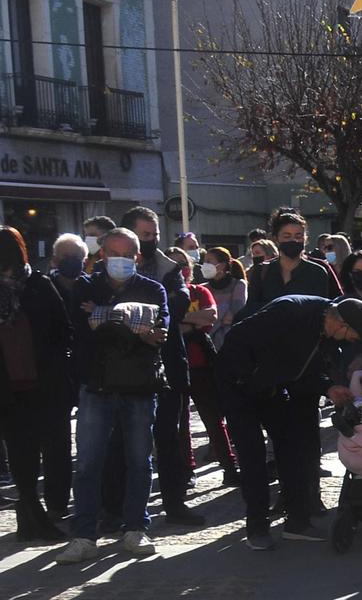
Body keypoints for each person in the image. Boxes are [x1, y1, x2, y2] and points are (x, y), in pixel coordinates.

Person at [212, 295, 362, 548]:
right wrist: (251, 379)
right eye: (349, 335)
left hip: (272, 388)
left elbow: (307, 369)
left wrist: (328, 387)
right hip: (238, 387)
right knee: (252, 455)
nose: (347, 341)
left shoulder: (326, 333)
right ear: (339, 322)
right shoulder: (291, 311)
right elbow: (239, 340)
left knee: (292, 450)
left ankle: (297, 522)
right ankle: (257, 528)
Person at [57, 227, 169, 562]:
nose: (120, 260)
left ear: (137, 256)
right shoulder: (84, 287)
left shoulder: (152, 288)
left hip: (139, 385)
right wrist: (133, 324)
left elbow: (158, 331)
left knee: (139, 461)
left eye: (127, 254)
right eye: (113, 253)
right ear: (101, 255)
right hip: (96, 384)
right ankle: (84, 535)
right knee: (89, 463)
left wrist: (105, 315)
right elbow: (82, 331)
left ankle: (136, 527)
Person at [124, 206, 201, 526]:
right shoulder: (111, 269)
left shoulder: (170, 269)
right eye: (145, 235)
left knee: (169, 438)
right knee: (126, 442)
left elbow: (180, 302)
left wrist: (139, 311)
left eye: (154, 234)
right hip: (125, 369)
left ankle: (175, 503)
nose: (152, 240)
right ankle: (119, 510)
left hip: (167, 364)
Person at [0, 225, 74, 542]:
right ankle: (30, 512)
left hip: (46, 385)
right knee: (21, 452)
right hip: (9, 390)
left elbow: (63, 331)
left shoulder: (39, 285)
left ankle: (49, 509)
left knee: (55, 447)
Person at [175, 248, 234, 486]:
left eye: (182, 264)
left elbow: (210, 317)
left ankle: (229, 466)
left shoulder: (200, 291)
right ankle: (187, 470)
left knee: (213, 417)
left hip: (201, 363)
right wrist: (191, 321)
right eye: (173, 264)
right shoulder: (162, 293)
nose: (179, 269)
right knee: (181, 422)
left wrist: (180, 319)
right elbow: (167, 325)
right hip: (175, 365)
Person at [246, 209, 341, 312]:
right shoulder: (261, 271)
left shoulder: (318, 272)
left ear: (305, 239)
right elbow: (250, 309)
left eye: (298, 236)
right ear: (276, 239)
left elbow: (331, 306)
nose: (293, 240)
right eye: (287, 236)